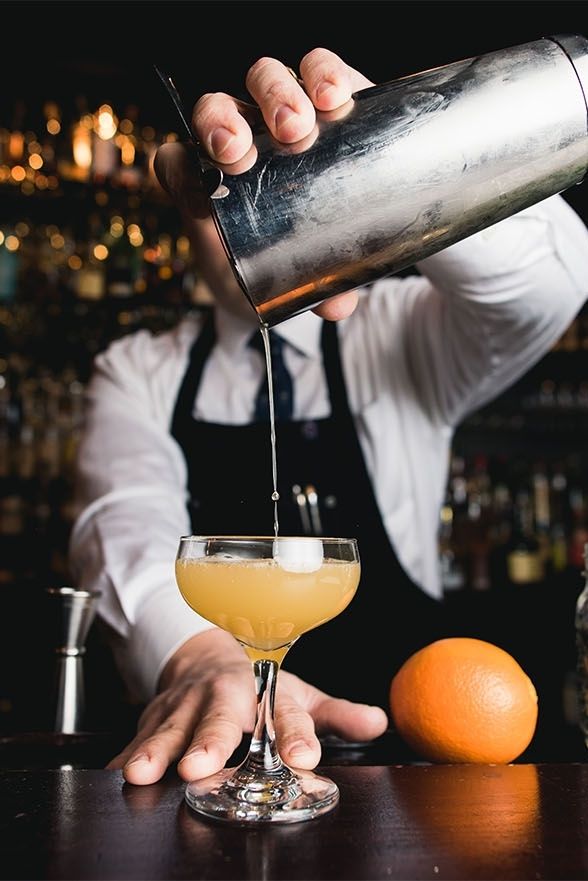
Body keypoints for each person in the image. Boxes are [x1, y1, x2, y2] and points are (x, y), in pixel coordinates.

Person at [68, 48, 588, 785]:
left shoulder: (400, 333)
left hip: (404, 780)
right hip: (208, 775)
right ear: (184, 214)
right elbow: (123, 518)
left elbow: (553, 284)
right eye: (224, 192)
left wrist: (381, 155)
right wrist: (199, 653)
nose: (243, 215)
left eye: (271, 188)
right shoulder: (138, 371)